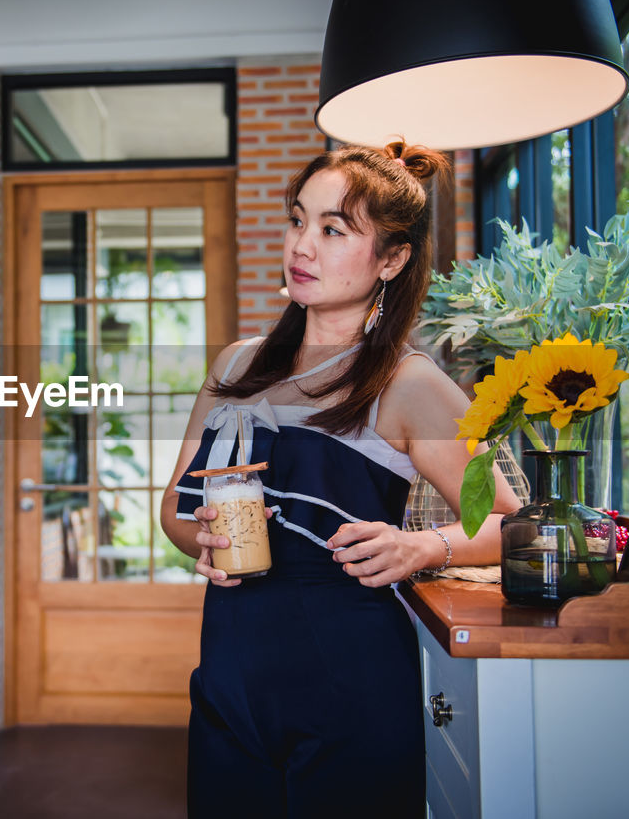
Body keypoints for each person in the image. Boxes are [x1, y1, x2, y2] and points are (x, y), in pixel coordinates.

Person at [160, 143, 521, 817]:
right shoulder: (237, 365)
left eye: (333, 230)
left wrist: (422, 548)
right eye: (299, 221)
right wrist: (199, 537)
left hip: (348, 685)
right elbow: (176, 508)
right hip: (228, 684)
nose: (303, 245)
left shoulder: (407, 384)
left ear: (392, 259)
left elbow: (510, 523)